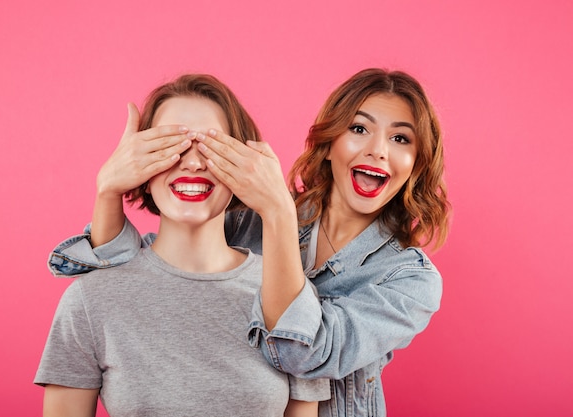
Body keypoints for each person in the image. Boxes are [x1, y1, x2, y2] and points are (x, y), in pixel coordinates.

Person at [47, 68, 450, 416]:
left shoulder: (409, 279)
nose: (377, 150)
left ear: (418, 161)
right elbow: (138, 272)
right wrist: (108, 190)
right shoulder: (250, 222)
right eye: (359, 129)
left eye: (401, 139)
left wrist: (278, 212)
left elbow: (303, 352)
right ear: (328, 144)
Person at [35, 74, 329, 417]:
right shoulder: (90, 299)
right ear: (138, 164)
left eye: (212, 147)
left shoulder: (290, 295)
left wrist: (278, 207)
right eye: (170, 146)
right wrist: (107, 189)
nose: (193, 162)